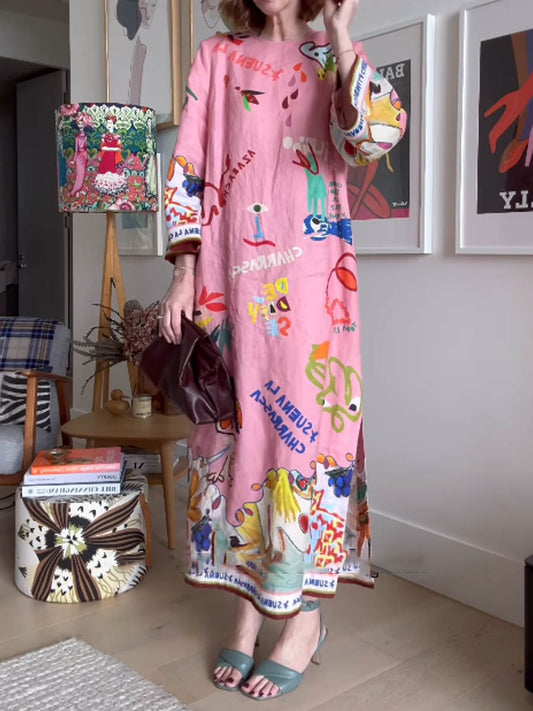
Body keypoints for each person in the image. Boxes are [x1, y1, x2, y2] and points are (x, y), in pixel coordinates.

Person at [159, 0, 406, 700]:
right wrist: (183, 271)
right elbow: (188, 167)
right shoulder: (217, 57)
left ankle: (302, 621)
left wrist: (342, 34)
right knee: (230, 435)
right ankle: (246, 615)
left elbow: (373, 137)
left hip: (312, 287)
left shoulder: (334, 56)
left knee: (300, 441)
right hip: (225, 287)